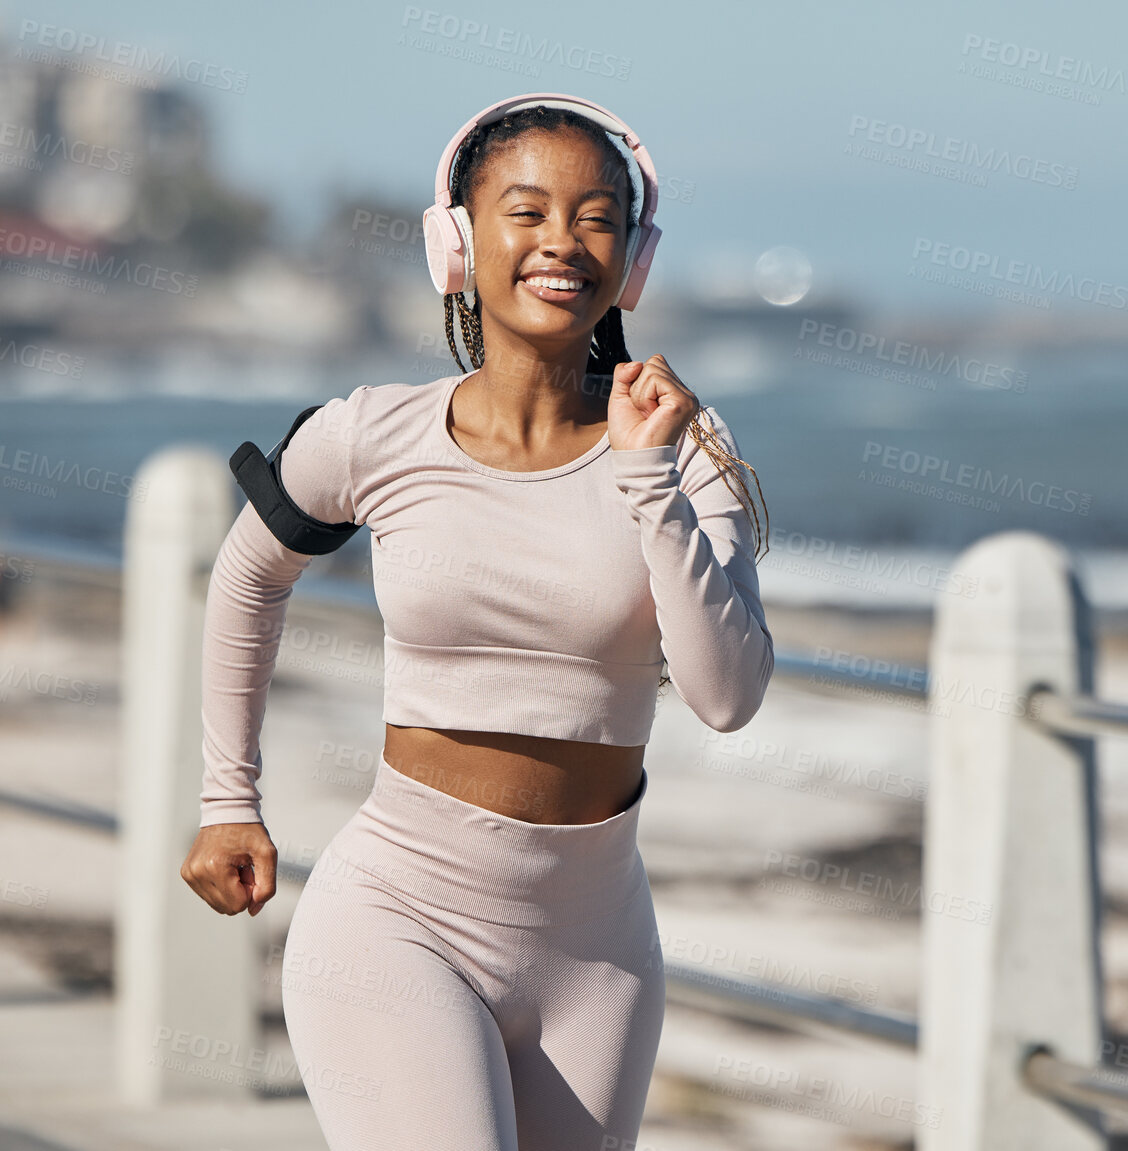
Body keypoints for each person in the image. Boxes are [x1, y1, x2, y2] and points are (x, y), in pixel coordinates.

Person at [179, 95, 773, 1151]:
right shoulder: (372, 433)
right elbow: (246, 580)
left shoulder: (685, 447)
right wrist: (230, 800)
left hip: (597, 951)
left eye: (595, 218)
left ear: (632, 259)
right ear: (455, 239)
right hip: (398, 918)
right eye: (526, 210)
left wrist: (645, 476)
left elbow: (724, 694)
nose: (561, 243)